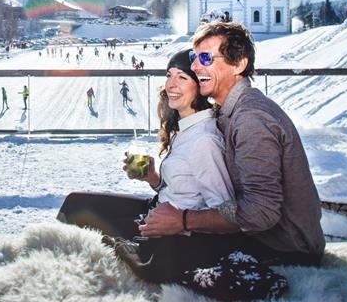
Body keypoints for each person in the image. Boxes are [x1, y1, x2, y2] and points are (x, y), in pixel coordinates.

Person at [139, 21, 324, 267]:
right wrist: (158, 182)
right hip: (262, 237)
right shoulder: (229, 111)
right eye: (195, 58)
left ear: (239, 64)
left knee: (150, 256)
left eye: (205, 58)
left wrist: (183, 220)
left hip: (283, 248)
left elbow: (261, 213)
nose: (195, 66)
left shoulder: (251, 119)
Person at [58, 50, 237, 283]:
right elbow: (187, 188)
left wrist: (180, 222)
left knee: (80, 215)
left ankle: (62, 276)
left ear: (201, 86)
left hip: (170, 234)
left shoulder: (204, 140)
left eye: (182, 78)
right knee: (76, 203)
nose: (171, 85)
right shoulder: (187, 128)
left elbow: (228, 215)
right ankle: (58, 266)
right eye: (169, 75)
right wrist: (154, 179)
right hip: (155, 212)